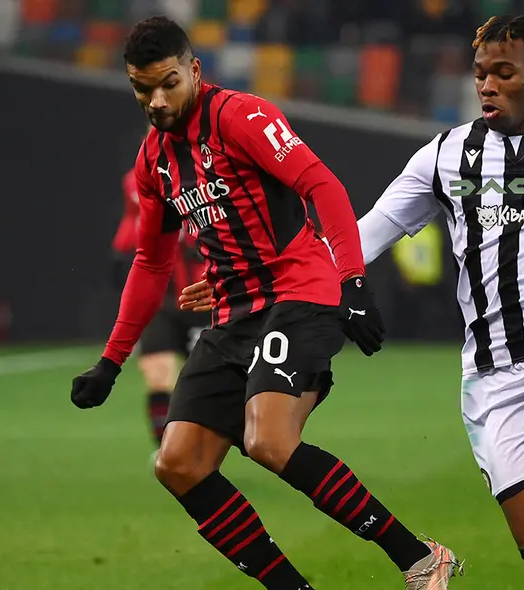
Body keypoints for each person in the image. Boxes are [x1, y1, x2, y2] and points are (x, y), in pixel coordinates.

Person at [182, 9, 524, 590]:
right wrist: (259, 280)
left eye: (504, 72)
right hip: (495, 371)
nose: (488, 85)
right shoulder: (445, 156)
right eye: (480, 73)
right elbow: (365, 232)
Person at [69, 15, 460, 590]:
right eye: (141, 87)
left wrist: (351, 281)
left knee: (268, 440)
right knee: (177, 464)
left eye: (168, 82)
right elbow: (151, 262)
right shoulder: (153, 162)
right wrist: (111, 360)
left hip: (299, 293)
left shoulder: (242, 116)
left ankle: (421, 558)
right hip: (233, 313)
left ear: (194, 70)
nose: (155, 100)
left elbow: (321, 186)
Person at [110, 152, 210, 448]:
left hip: (204, 298)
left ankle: (205, 448)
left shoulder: (211, 173)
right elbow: (131, 231)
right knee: (157, 373)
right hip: (162, 302)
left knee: (206, 383)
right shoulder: (135, 181)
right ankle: (166, 451)